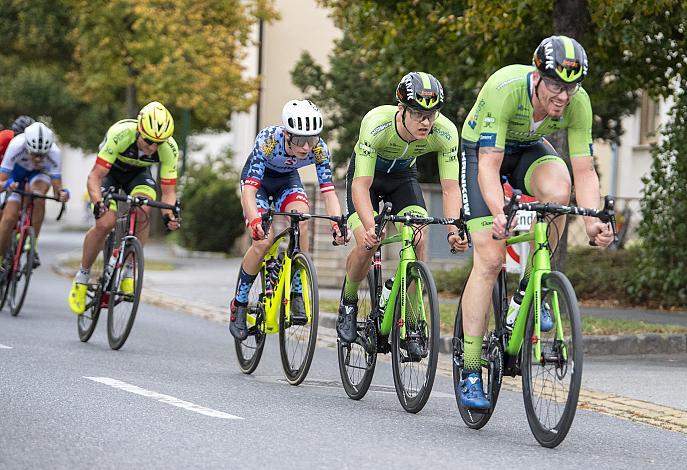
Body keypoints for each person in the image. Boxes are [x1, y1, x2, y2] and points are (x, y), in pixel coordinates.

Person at [457, 35, 613, 409]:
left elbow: (584, 171)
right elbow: (490, 167)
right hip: (482, 153)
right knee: (491, 260)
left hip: (528, 148)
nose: (563, 97)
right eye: (556, 86)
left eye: (571, 88)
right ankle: (471, 366)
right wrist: (498, 213)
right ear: (538, 76)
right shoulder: (506, 89)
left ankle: (529, 289)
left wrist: (593, 221)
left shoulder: (579, 104)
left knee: (560, 191)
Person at [336, 71, 468, 347]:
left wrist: (454, 229)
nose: (426, 122)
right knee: (368, 243)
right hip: (367, 179)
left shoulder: (445, 132)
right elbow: (360, 186)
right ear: (402, 110)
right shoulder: (376, 124)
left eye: (431, 115)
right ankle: (348, 304)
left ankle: (410, 316)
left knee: (419, 238)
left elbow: (451, 188)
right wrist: (371, 227)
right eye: (418, 114)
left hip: (403, 180)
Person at [229, 99, 347, 340]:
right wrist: (254, 221)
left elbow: (328, 191)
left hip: (286, 181)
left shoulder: (319, 149)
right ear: (287, 134)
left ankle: (295, 291)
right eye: (300, 140)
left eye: (311, 139)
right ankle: (239, 303)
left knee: (302, 220)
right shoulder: (269, 140)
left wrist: (337, 222)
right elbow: (249, 191)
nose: (306, 147)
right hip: (258, 183)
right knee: (263, 241)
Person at [67, 101, 181, 314]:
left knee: (143, 209)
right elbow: (95, 176)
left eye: (159, 142)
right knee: (105, 223)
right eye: (148, 141)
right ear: (139, 130)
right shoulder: (121, 134)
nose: (153, 147)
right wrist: (98, 202)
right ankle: (82, 277)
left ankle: (129, 269)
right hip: (110, 174)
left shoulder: (169, 148)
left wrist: (169, 215)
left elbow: (168, 192)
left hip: (138, 177)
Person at [0, 122, 69, 268]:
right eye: (34, 154)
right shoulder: (16, 146)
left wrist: (62, 194)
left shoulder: (55, 153)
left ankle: (32, 243)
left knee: (39, 195)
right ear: (27, 147)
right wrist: (7, 185)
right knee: (9, 218)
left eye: (42, 155)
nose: (38, 159)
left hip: (39, 175)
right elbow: (2, 180)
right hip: (16, 174)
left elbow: (57, 187)